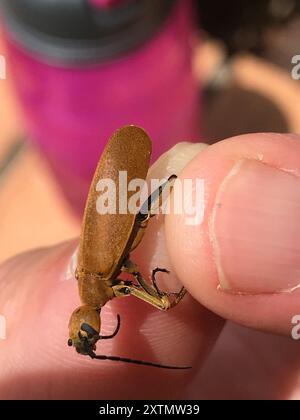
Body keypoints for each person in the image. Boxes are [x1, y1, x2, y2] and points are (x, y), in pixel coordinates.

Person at [0, 132, 300, 400]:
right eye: (91, 334)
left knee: (158, 274)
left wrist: (157, 295)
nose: (96, 332)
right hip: (118, 216)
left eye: (91, 332)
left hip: (122, 211)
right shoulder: (94, 284)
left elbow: (136, 248)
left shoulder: (104, 282)